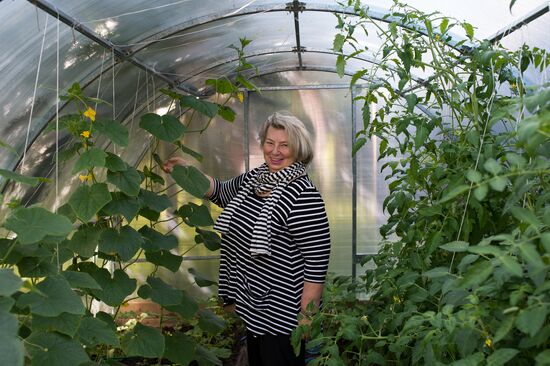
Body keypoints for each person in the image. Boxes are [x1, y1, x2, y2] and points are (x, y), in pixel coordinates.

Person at [163, 111, 331, 365]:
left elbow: (316, 264)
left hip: (283, 315)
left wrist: (306, 320)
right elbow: (219, 191)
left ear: (298, 149)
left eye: (284, 145)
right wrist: (187, 171)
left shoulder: (302, 195)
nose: (275, 151)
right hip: (255, 306)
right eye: (270, 142)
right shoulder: (256, 179)